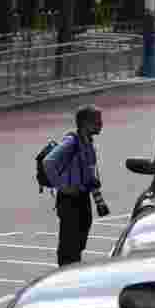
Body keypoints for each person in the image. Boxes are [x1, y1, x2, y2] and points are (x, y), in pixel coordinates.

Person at [43, 105, 104, 267]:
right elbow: (48, 162)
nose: (101, 124)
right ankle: (64, 272)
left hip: (83, 198)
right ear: (85, 123)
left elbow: (90, 175)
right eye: (97, 121)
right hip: (70, 200)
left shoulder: (88, 143)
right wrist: (61, 186)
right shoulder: (71, 142)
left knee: (79, 240)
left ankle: (73, 267)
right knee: (69, 243)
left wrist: (99, 201)